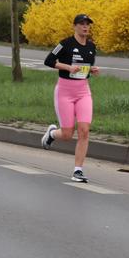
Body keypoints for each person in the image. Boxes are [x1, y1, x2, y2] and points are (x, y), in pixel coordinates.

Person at [41, 14, 100, 183]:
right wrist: (68, 67)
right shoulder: (65, 44)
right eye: (81, 24)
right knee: (67, 134)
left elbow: (85, 68)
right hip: (64, 92)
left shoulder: (91, 46)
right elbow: (48, 60)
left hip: (83, 92)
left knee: (84, 130)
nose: (85, 27)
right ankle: (51, 134)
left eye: (87, 24)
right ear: (74, 26)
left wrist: (92, 70)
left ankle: (78, 170)